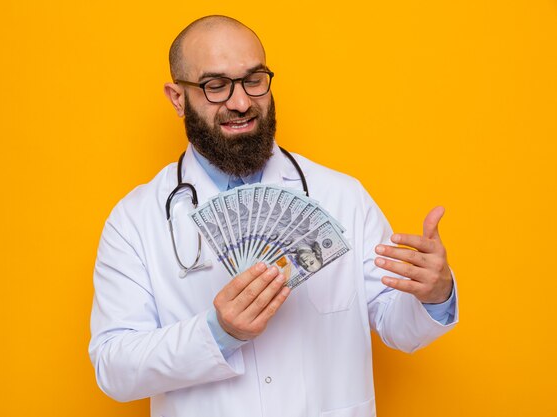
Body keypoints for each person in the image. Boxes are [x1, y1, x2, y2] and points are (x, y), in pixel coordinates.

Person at [89, 15, 458, 417]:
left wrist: (433, 295)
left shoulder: (340, 197)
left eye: (254, 79)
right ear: (177, 98)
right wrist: (216, 333)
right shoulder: (134, 221)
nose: (242, 102)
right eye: (215, 86)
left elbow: (396, 324)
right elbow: (114, 367)